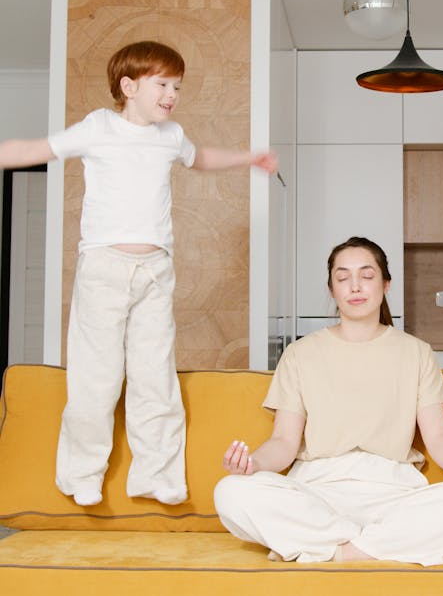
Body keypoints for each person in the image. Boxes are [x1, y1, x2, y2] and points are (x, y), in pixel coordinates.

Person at [0, 39, 277, 507]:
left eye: (178, 86)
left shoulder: (170, 135)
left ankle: (156, 474)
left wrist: (247, 158)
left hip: (155, 270)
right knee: (97, 377)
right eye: (163, 84)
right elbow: (39, 147)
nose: (173, 94)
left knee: (155, 376)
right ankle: (82, 473)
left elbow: (201, 159)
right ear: (128, 86)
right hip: (104, 268)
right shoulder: (98, 127)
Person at [215, 236, 443, 565]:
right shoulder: (299, 354)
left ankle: (335, 550)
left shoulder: (416, 352)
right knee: (229, 492)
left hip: (393, 493)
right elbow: (283, 441)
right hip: (316, 493)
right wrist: (251, 465)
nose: (355, 286)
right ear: (332, 290)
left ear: (385, 285)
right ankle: (374, 547)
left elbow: (439, 437)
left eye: (366, 276)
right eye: (343, 278)